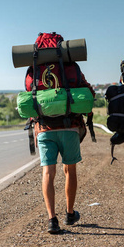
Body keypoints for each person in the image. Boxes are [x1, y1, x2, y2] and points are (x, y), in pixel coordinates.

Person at [34, 71, 95, 234]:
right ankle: (69, 214)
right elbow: (89, 92)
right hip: (70, 126)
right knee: (70, 170)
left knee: (48, 172)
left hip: (44, 128)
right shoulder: (70, 66)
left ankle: (52, 220)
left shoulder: (35, 69)